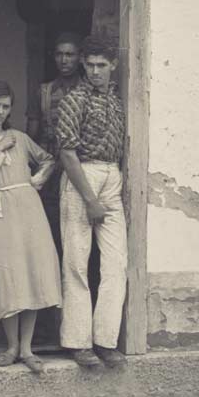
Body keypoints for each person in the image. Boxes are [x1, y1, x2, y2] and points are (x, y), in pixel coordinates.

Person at [0, 80, 61, 374]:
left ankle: (27, 348)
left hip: (28, 208)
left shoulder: (19, 137)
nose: (0, 112)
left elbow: (48, 159)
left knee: (32, 271)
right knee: (8, 273)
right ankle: (10, 346)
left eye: (6, 107)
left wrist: (38, 180)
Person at [55, 36, 128, 369]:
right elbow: (67, 153)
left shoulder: (116, 101)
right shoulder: (75, 100)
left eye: (102, 65)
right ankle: (78, 342)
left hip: (112, 176)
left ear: (113, 66)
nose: (96, 71)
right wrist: (90, 199)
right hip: (82, 177)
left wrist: (111, 188)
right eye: (91, 65)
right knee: (76, 262)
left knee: (115, 264)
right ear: (84, 65)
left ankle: (106, 340)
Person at [27, 32, 83, 250]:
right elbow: (32, 133)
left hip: (80, 164)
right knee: (52, 225)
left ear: (79, 57)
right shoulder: (44, 92)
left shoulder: (89, 90)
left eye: (70, 54)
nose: (64, 60)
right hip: (51, 167)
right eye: (59, 54)